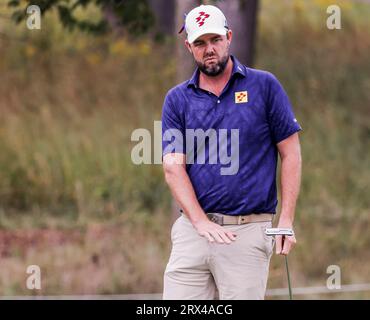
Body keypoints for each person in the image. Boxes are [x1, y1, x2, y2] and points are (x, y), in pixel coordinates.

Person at [161, 4, 302, 300]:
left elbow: (291, 153)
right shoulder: (177, 100)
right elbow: (173, 167)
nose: (208, 49)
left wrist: (286, 220)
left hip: (247, 231)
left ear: (229, 36)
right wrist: (199, 221)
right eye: (199, 42)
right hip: (192, 231)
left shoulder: (264, 86)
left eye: (214, 40)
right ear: (189, 46)